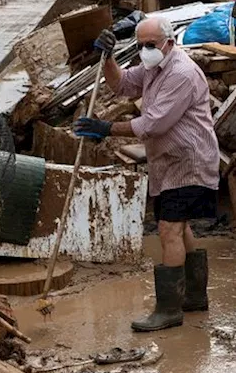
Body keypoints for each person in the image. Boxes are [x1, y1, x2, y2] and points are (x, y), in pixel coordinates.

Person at [74, 17, 219, 332]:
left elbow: (154, 124)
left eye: (150, 45)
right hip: (170, 161)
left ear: (168, 42)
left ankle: (168, 309)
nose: (145, 51)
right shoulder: (156, 66)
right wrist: (109, 57)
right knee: (179, 227)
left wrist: (107, 129)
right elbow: (122, 84)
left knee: (168, 230)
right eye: (140, 45)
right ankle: (194, 296)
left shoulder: (181, 73)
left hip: (189, 161)